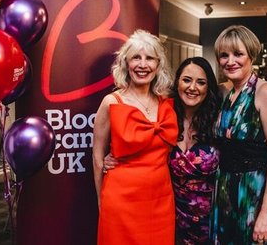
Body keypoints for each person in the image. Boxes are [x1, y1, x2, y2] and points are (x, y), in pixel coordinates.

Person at [103, 57, 222, 244]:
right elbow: (139, 141)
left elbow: (243, 151)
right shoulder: (164, 111)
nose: (192, 87)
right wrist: (110, 159)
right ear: (177, 83)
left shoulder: (218, 119)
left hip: (212, 217)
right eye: (186, 80)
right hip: (171, 214)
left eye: (201, 82)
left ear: (209, 88)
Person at [210, 25, 267, 244]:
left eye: (238, 54)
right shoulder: (224, 92)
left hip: (256, 194)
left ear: (251, 56)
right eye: (224, 55)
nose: (230, 61)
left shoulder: (265, 92)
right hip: (226, 191)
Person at [92, 29, 178, 245]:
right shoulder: (111, 102)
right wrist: (101, 201)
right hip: (121, 200)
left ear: (158, 65)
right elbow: (97, 157)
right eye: (136, 58)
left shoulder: (166, 102)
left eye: (150, 58)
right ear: (126, 63)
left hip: (161, 200)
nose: (143, 64)